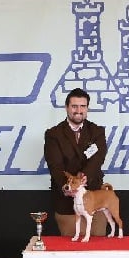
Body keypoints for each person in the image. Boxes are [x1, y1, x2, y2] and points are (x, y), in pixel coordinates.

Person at [44, 88, 109, 237]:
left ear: (87, 108)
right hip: (67, 205)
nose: (79, 110)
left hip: (94, 202)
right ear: (67, 107)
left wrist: (85, 176)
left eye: (83, 106)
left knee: (97, 244)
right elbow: (55, 165)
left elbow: (98, 158)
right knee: (71, 246)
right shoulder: (53, 134)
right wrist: (68, 186)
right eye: (74, 106)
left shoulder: (97, 131)